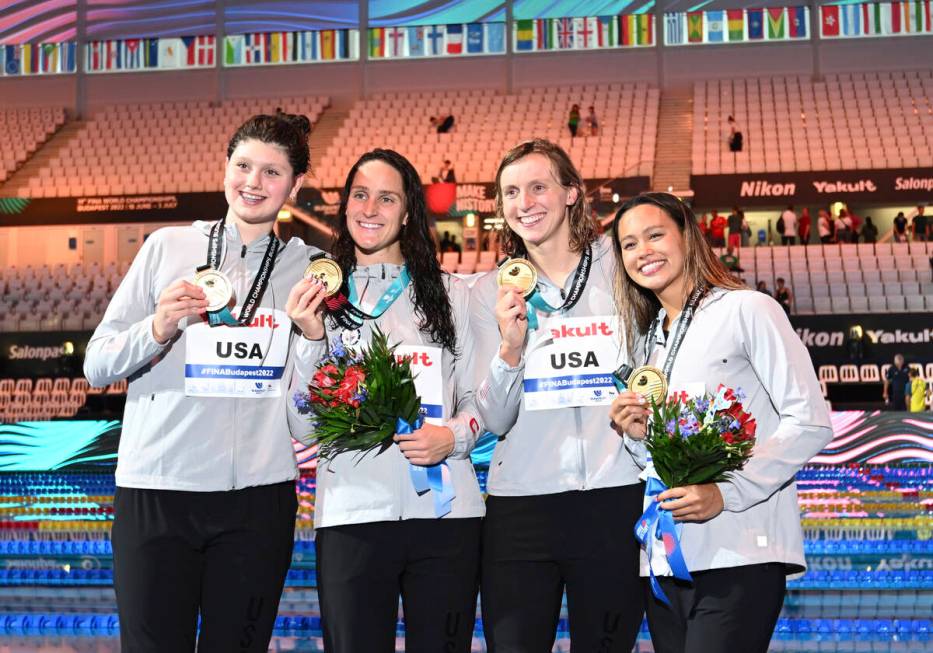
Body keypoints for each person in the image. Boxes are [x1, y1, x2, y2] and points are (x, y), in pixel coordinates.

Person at [83, 112, 324, 652]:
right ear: (224, 169)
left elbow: (306, 425)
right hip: (158, 491)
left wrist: (311, 340)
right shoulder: (166, 248)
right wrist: (158, 327)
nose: (253, 183)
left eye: (271, 171)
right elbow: (97, 364)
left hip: (257, 501)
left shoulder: (308, 270)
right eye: (243, 166)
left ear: (295, 185)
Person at [608, 191, 832, 653]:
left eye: (654, 235)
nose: (642, 251)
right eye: (628, 244)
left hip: (740, 551)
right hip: (666, 563)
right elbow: (658, 460)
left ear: (688, 236)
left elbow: (809, 421)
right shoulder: (649, 344)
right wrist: (634, 434)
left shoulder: (748, 309)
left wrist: (726, 492)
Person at [301, 149, 484, 653]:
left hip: (445, 516)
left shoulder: (452, 295)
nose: (370, 209)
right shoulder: (317, 298)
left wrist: (453, 438)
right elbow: (302, 426)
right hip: (352, 515)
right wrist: (311, 338)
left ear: (408, 213)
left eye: (387, 198)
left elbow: (479, 402)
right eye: (360, 195)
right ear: (344, 207)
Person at [471, 139, 644, 652]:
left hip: (614, 497)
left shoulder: (622, 267)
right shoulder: (489, 291)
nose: (525, 202)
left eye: (539, 186)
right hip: (521, 507)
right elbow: (495, 419)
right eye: (511, 192)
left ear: (572, 193)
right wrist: (509, 349)